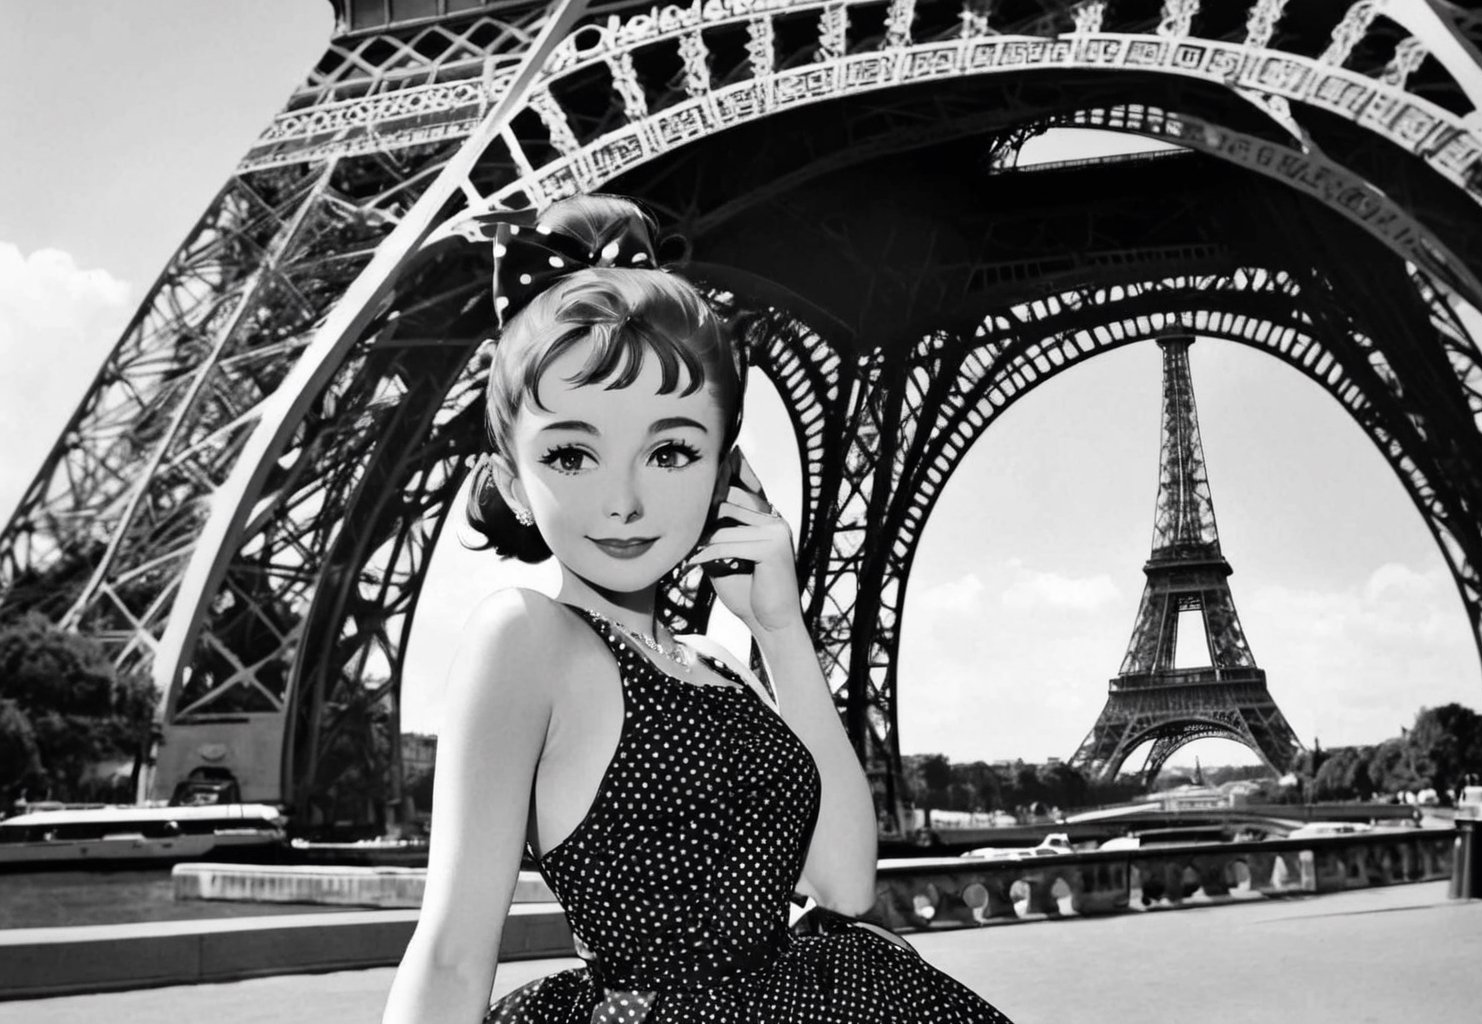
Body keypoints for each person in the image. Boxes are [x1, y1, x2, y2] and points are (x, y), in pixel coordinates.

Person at [381, 194, 1012, 1023]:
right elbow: (455, 951)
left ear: (723, 476)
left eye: (671, 450)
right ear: (511, 485)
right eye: (572, 454)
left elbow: (845, 883)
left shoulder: (718, 664)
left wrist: (782, 634)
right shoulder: (527, 637)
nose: (625, 500)